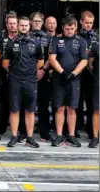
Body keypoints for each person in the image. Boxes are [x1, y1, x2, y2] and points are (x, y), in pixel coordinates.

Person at [2, 16, 44, 148]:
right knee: (14, 109)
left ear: (30, 26)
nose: (24, 27)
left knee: (30, 110)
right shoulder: (11, 42)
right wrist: (14, 71)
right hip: (15, 80)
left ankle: (30, 137)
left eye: (26, 25)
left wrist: (30, 71)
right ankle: (14, 136)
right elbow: (5, 63)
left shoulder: (36, 43)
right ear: (17, 26)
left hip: (31, 80)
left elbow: (41, 61)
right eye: (21, 25)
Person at [49, 15, 88, 147]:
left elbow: (84, 60)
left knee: (72, 108)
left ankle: (71, 135)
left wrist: (74, 73)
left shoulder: (81, 41)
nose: (69, 31)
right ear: (63, 28)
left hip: (74, 79)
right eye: (67, 29)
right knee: (59, 107)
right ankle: (59, 135)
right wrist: (62, 72)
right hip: (59, 78)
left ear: (76, 27)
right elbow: (52, 58)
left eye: (72, 29)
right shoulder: (56, 39)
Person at [29, 12, 53, 142]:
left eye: (39, 21)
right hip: (28, 74)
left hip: (43, 75)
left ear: (43, 23)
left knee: (43, 106)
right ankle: (25, 133)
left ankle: (45, 133)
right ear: (31, 22)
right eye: (35, 21)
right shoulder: (25, 36)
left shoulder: (48, 37)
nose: (37, 23)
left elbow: (51, 57)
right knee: (27, 105)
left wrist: (42, 70)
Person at [0, 12, 18, 138]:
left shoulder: (22, 37)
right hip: (2, 74)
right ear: (6, 24)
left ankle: (19, 129)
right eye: (10, 23)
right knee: (2, 102)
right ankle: (1, 127)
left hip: (19, 74)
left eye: (14, 23)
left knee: (17, 103)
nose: (12, 26)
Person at [78, 11, 98, 140]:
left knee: (92, 103)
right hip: (77, 72)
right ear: (81, 22)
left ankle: (92, 130)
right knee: (76, 102)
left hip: (92, 73)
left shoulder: (96, 36)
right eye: (86, 23)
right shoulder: (75, 35)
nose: (89, 25)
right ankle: (75, 129)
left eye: (91, 23)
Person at [88, 42, 99, 148]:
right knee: (97, 110)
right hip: (98, 81)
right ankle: (95, 137)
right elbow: (90, 64)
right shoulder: (96, 46)